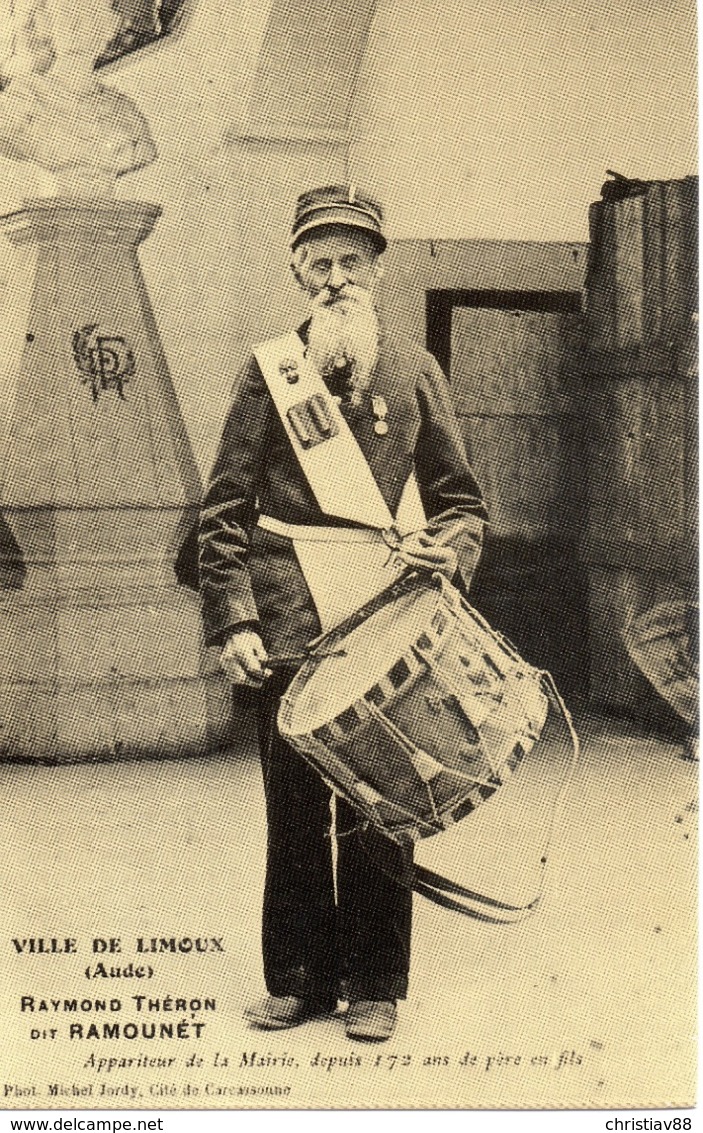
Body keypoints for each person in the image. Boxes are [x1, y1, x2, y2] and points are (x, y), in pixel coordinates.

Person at [198, 185, 488, 1041]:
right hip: (289, 608)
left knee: (384, 798)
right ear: (296, 269)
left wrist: (452, 548)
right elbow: (224, 510)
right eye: (318, 263)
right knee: (293, 809)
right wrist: (235, 619)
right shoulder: (269, 371)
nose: (334, 279)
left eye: (350, 262)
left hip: (383, 610)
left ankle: (374, 983)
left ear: (377, 267)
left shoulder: (413, 368)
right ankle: (295, 978)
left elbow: (461, 501)